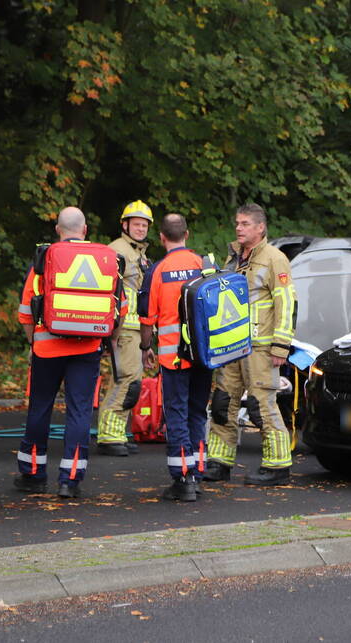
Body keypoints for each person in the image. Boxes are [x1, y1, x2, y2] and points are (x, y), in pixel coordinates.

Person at [15, 207, 126, 499]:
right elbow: (119, 309)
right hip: (87, 347)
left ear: (57, 229)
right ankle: (70, 479)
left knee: (40, 407)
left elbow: (26, 312)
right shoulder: (106, 259)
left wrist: (35, 343)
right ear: (85, 230)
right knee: (79, 411)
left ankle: (33, 475)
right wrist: (108, 340)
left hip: (47, 347)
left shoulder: (44, 259)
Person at [205, 203, 297, 486]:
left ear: (260, 227)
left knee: (261, 404)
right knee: (223, 403)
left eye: (245, 224)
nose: (239, 228)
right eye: (237, 223)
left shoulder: (274, 259)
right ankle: (219, 462)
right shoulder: (234, 257)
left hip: (260, 347)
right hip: (231, 346)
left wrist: (281, 346)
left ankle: (277, 466)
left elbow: (286, 302)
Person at [140, 214, 212, 502]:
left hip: (174, 358)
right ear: (187, 234)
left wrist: (146, 347)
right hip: (204, 357)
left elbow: (147, 318)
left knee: (177, 414)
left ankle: (182, 479)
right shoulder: (204, 266)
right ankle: (197, 473)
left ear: (161, 237)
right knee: (197, 412)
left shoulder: (158, 270)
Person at [96, 200, 153, 456]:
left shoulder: (138, 252)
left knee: (132, 381)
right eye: (136, 224)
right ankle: (109, 436)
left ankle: (117, 432)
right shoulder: (116, 250)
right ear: (124, 224)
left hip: (134, 329)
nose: (141, 229)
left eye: (144, 225)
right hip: (122, 329)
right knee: (125, 380)